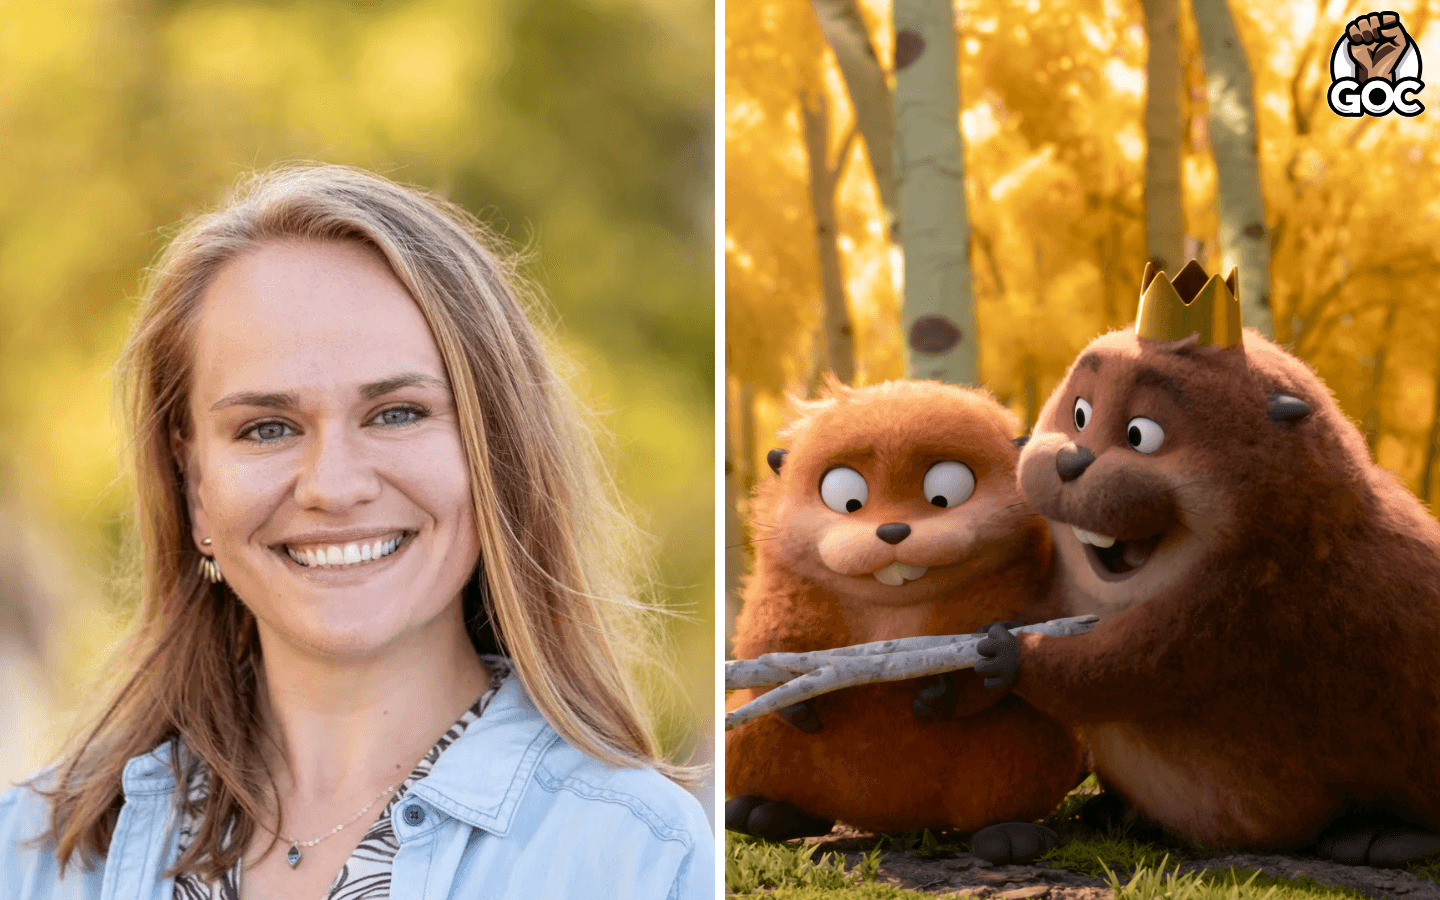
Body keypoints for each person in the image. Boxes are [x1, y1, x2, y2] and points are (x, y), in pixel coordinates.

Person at [0, 164, 713, 899]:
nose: (333, 487)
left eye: (397, 413)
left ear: (493, 450)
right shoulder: (33, 856)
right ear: (195, 488)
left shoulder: (635, 857)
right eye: (266, 428)